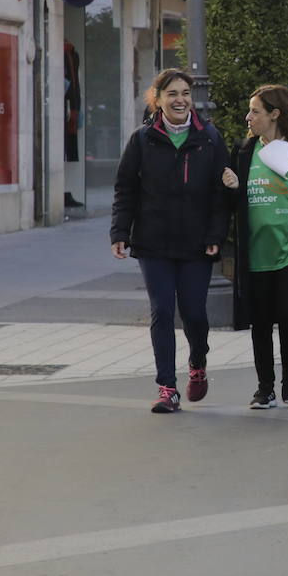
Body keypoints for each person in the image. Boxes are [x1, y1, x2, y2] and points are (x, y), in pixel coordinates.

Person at [111, 69, 232, 414]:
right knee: (162, 311)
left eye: (185, 93)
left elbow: (219, 194)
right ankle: (167, 388)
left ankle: (198, 363)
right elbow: (126, 189)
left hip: (197, 245)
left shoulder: (208, 137)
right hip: (153, 243)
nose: (180, 99)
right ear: (158, 98)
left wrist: (214, 236)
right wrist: (120, 233)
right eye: (172, 93)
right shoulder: (142, 139)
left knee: (193, 313)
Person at [223, 85, 288, 409]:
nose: (248, 118)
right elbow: (234, 203)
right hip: (256, 251)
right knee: (260, 320)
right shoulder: (245, 151)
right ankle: (265, 387)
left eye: (255, 112)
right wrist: (232, 189)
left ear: (275, 113)